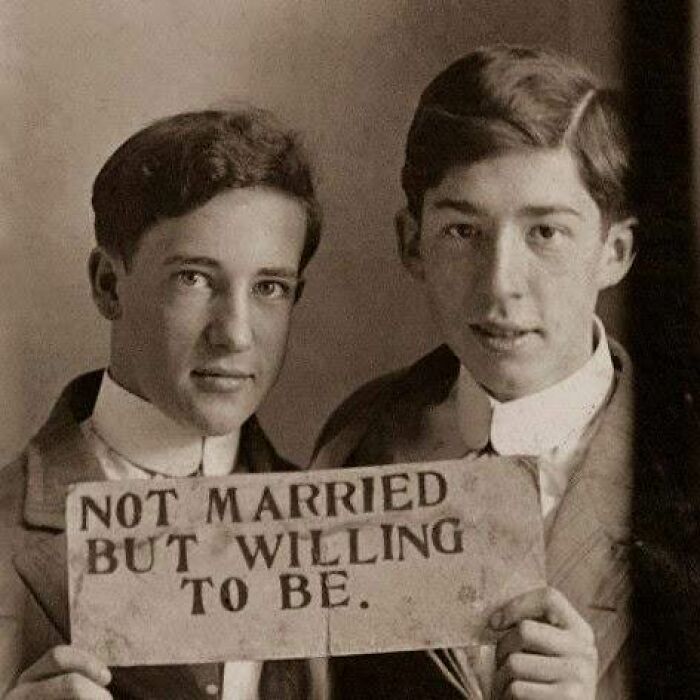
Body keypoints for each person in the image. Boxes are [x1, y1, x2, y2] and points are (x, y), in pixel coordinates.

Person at [313, 45, 640, 699]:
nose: (500, 287)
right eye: (463, 231)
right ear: (413, 244)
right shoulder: (358, 442)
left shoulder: (676, 470)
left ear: (614, 252)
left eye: (545, 232)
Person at [1, 109, 326, 699]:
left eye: (269, 288)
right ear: (107, 284)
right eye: (194, 279)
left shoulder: (340, 531)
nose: (235, 334)